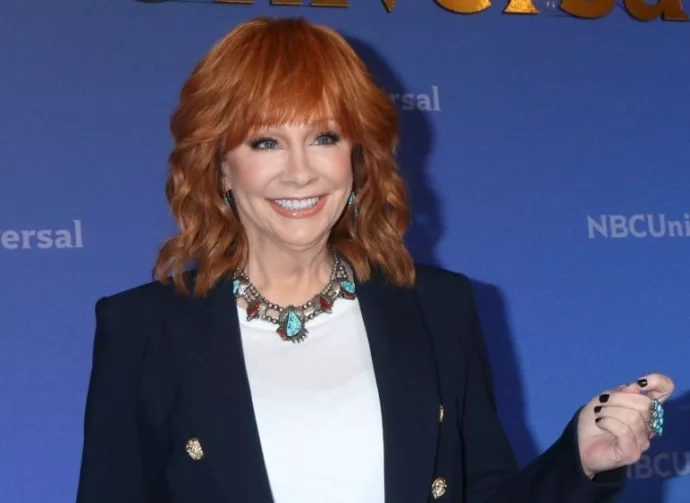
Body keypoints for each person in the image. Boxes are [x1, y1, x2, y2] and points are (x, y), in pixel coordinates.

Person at [76, 16, 674, 503]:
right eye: (266, 142)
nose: (301, 171)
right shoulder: (142, 329)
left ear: (358, 158)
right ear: (219, 167)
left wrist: (582, 461)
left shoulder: (439, 309)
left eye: (325, 137)